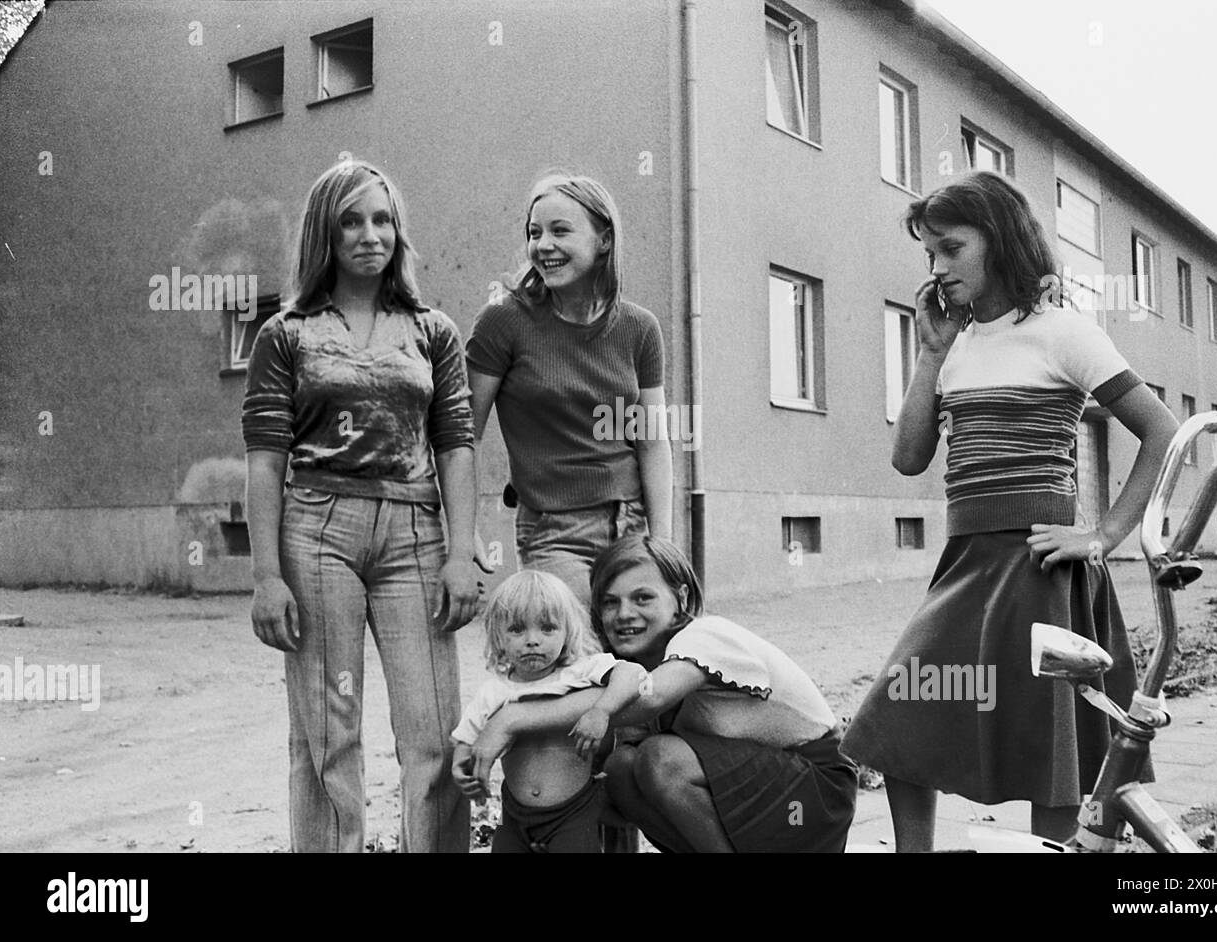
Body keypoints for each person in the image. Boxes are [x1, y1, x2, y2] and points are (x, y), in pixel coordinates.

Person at [840, 171, 1179, 851]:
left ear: (999, 241)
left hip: (1038, 566)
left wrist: (1105, 535)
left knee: (1046, 743)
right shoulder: (954, 343)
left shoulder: (1060, 332)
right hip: (966, 561)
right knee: (901, 710)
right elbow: (908, 458)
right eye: (929, 253)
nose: (937, 269)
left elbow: (1163, 431)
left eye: (951, 249)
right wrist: (929, 353)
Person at [242, 159, 480, 853]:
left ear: (397, 232)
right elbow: (265, 460)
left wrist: (462, 554)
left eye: (382, 219)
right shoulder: (285, 334)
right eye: (351, 220)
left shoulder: (433, 331)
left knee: (434, 732)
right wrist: (266, 576)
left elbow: (456, 446)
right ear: (326, 232)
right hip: (315, 532)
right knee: (326, 733)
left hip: (415, 532)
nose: (369, 234)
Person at [463, 536, 859, 853]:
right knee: (620, 769)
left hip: (814, 799)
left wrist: (509, 718)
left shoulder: (706, 635)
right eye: (610, 602)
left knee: (659, 758)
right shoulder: (629, 663)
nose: (624, 614)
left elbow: (646, 698)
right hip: (761, 799)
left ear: (681, 600)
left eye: (642, 598)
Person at [465, 173, 672, 607]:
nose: (542, 245)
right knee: (582, 657)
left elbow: (652, 442)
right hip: (554, 532)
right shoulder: (503, 323)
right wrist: (464, 530)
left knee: (640, 659)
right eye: (534, 232)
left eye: (560, 231)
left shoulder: (640, 329)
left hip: (629, 524)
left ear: (603, 240)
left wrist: (663, 544)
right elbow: (464, 435)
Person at [451, 570, 649, 853]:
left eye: (547, 628)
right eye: (517, 629)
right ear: (498, 635)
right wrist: (463, 768)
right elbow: (465, 739)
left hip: (572, 812)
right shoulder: (493, 692)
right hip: (516, 815)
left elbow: (633, 674)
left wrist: (600, 711)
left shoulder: (580, 673)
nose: (533, 640)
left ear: (567, 631)